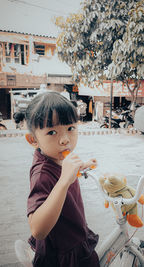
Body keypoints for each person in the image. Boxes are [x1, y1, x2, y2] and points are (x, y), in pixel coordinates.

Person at [15, 91, 99, 266]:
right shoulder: (42, 173)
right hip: (63, 253)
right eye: (52, 132)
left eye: (70, 128)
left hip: (73, 232)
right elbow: (37, 229)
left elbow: (64, 171)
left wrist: (81, 166)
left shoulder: (56, 157)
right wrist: (64, 181)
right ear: (33, 140)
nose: (65, 140)